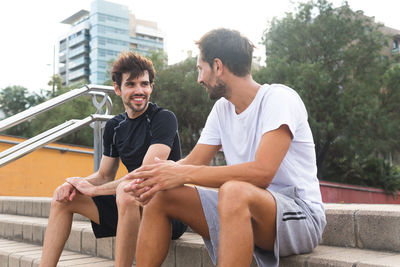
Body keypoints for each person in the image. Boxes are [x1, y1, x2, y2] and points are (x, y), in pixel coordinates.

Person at [124, 28, 326, 267]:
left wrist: (183, 173)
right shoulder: (222, 110)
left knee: (234, 191)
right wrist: (148, 180)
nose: (199, 79)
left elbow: (262, 173)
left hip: (298, 216)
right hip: (241, 208)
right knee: (161, 195)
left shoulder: (279, 99)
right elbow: (190, 164)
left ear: (218, 66)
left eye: (201, 69)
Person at [39, 51, 187, 267]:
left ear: (151, 87)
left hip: (167, 209)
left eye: (144, 84)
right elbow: (104, 175)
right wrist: (73, 184)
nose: (139, 90)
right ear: (118, 89)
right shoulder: (113, 127)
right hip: (131, 206)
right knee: (62, 197)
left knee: (126, 192)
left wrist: (96, 190)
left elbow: (145, 176)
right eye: (131, 84)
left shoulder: (163, 118)